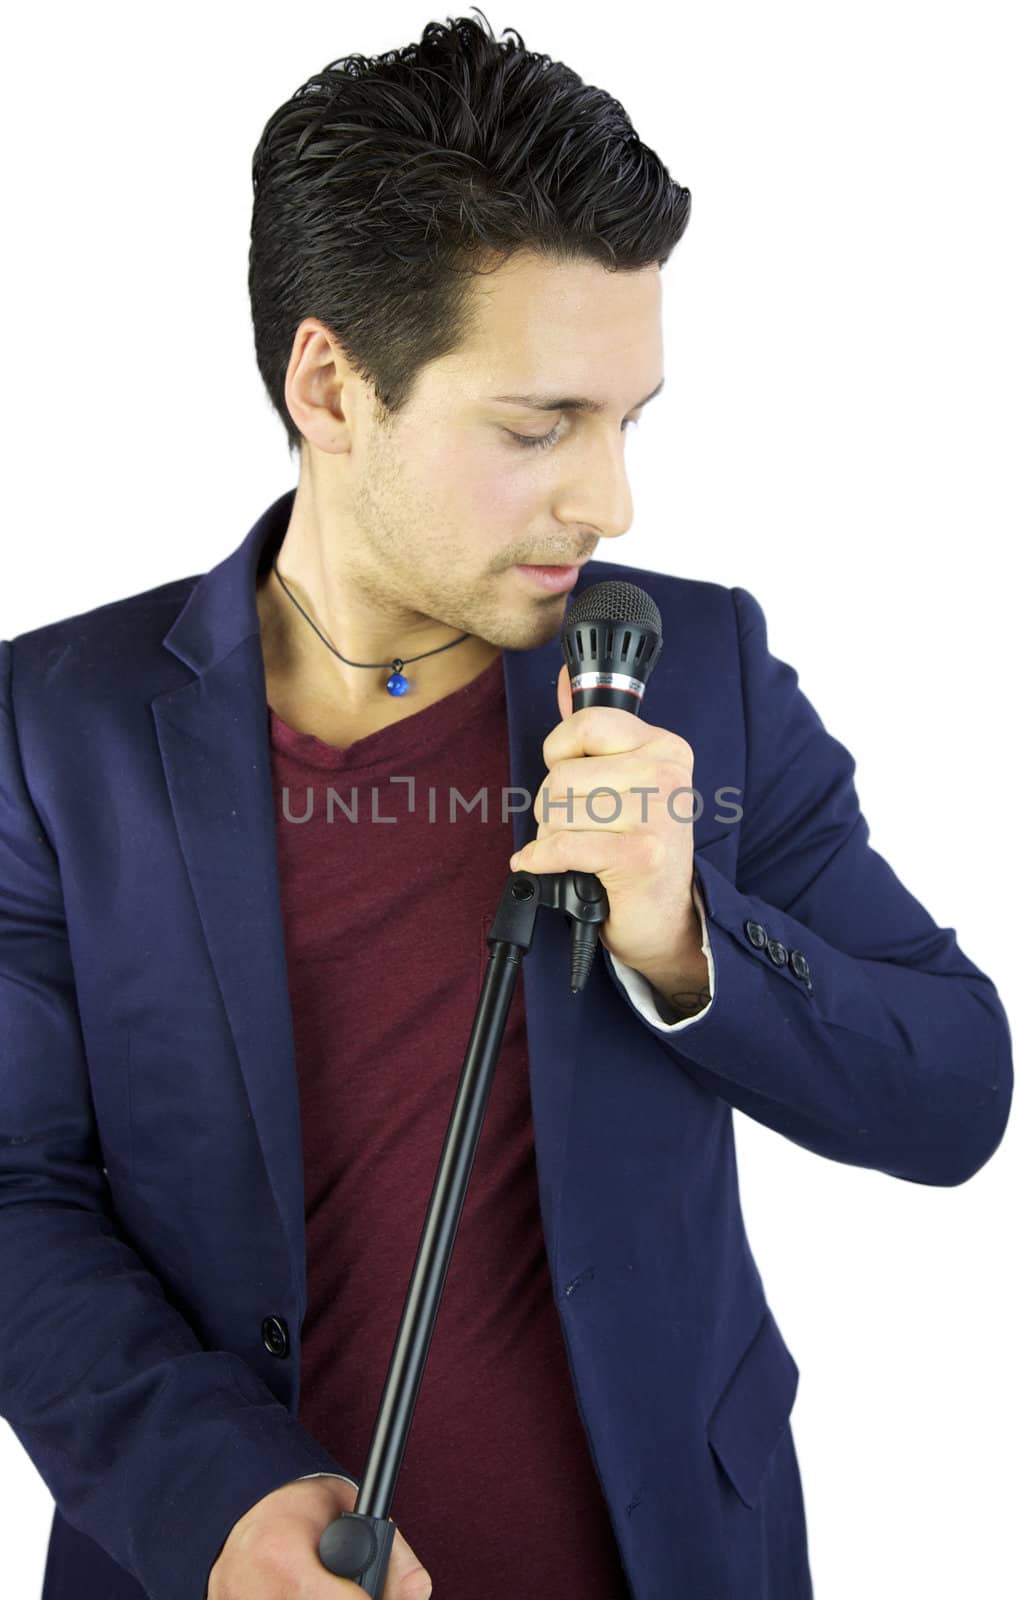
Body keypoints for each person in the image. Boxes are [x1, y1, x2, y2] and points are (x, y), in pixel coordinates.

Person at [0, 12, 1011, 1600]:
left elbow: (954, 1093)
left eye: (627, 421)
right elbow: (12, 1193)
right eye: (539, 427)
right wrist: (209, 1499)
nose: (608, 500)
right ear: (331, 386)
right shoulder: (51, 728)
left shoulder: (701, 670)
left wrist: (689, 940)